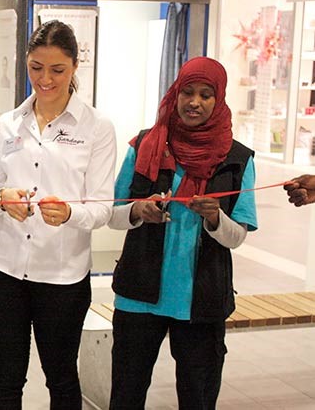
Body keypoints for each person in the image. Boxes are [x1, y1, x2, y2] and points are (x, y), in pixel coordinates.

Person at [0, 19, 116, 409]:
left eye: (57, 70)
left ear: (75, 67)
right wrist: (2, 199)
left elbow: (102, 208)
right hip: (2, 269)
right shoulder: (8, 124)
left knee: (62, 378)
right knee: (6, 376)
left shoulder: (97, 127)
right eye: (36, 67)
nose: (45, 79)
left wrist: (69, 213)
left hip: (62, 275)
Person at [107, 56, 258, 409]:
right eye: (187, 92)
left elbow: (237, 237)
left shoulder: (238, 159)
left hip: (201, 301)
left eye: (206, 95)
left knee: (198, 399)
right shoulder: (144, 145)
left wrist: (216, 218)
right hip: (138, 296)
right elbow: (112, 215)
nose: (194, 102)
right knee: (126, 396)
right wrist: (138, 211)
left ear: (219, 98)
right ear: (175, 93)